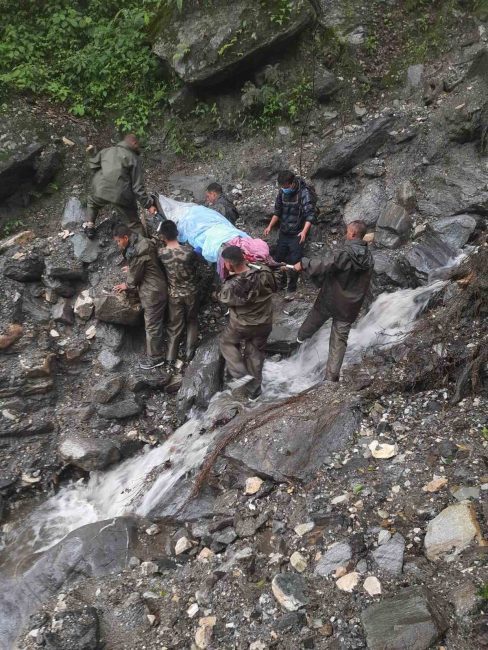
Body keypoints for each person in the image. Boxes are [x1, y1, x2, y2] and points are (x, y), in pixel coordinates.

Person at [294, 220, 373, 382]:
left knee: (312, 323)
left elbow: (326, 265)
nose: (345, 233)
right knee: (339, 341)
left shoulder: (346, 254)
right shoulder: (369, 258)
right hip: (349, 306)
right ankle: (331, 378)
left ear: (352, 234)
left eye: (347, 231)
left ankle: (296, 347)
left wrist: (304, 263)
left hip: (330, 299)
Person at [218, 246, 277, 399]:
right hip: (264, 323)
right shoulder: (264, 272)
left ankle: (241, 374)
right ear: (244, 257)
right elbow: (274, 286)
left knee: (226, 343)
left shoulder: (231, 285)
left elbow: (224, 299)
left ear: (229, 264)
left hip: (242, 325)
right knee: (255, 352)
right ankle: (254, 392)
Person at [112, 224, 168, 370]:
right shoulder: (143, 241)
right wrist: (132, 267)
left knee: (152, 325)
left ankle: (156, 358)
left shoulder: (137, 251)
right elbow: (145, 262)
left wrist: (126, 284)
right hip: (159, 283)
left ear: (125, 238)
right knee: (155, 322)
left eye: (118, 241)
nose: (118, 244)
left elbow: (134, 278)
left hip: (152, 292)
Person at [85, 134, 157, 239]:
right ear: (134, 143)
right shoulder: (133, 158)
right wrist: (148, 205)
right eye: (138, 145)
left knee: (92, 202)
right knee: (133, 223)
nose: (139, 147)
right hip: (121, 195)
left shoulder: (107, 151)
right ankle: (145, 243)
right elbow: (137, 187)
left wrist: (93, 154)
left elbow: (93, 165)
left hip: (101, 190)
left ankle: (89, 225)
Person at [264, 170, 316, 298]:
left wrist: (304, 232)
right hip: (284, 231)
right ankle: (280, 284)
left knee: (294, 261)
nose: (284, 189)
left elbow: (310, 215)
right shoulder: (282, 192)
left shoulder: (304, 193)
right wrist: (269, 226)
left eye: (286, 186)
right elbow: (277, 211)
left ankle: (291, 289)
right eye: (282, 186)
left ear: (292, 183)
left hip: (297, 233)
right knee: (278, 259)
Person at [158, 220, 200, 364]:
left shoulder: (161, 253)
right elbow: (197, 265)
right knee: (192, 321)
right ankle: (189, 353)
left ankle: (170, 357)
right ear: (177, 233)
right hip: (192, 292)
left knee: (174, 325)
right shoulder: (189, 251)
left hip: (174, 294)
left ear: (163, 236)